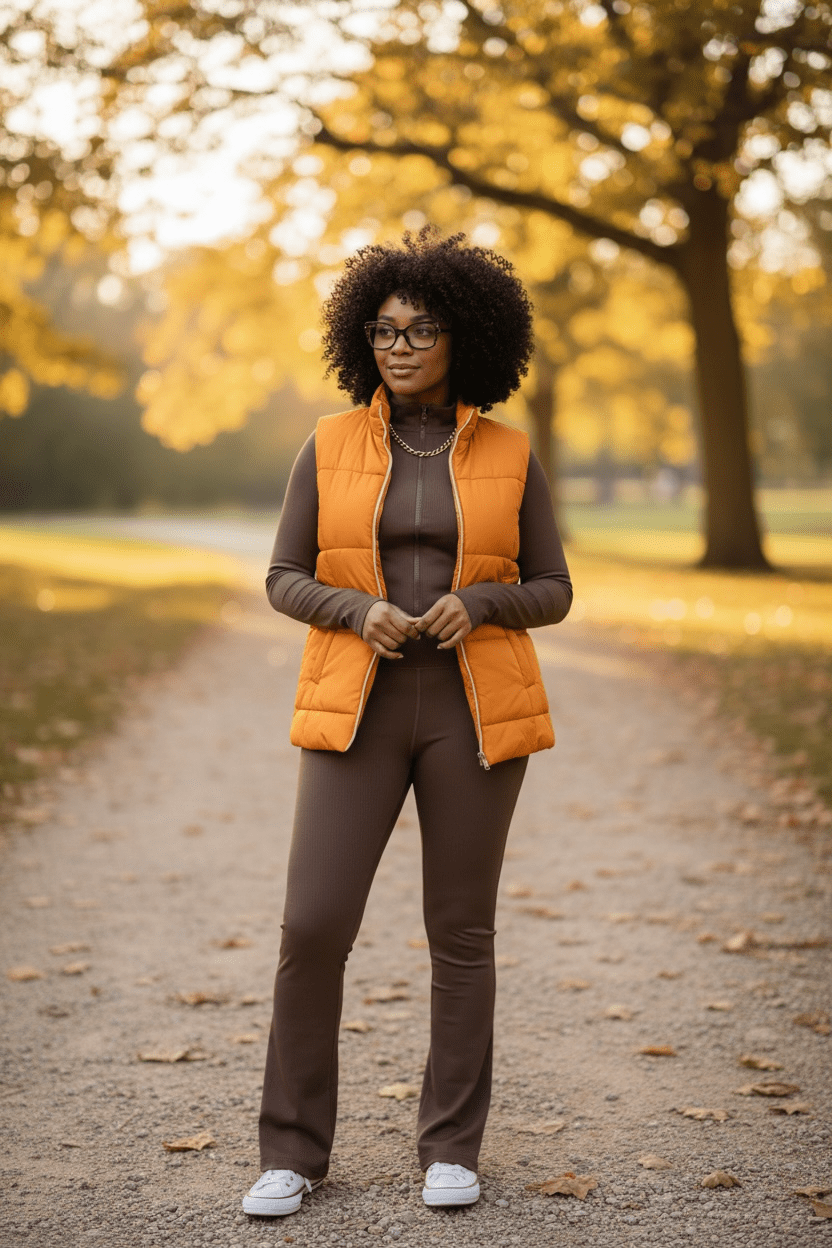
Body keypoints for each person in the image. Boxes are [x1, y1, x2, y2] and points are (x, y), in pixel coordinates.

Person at [243, 228, 572, 1219]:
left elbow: (553, 588)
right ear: (361, 338)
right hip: (357, 708)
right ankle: (293, 1154)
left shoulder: (510, 454)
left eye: (421, 328)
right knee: (312, 925)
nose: (399, 344)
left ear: (463, 336)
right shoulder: (330, 443)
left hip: (474, 711)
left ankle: (450, 1147)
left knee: (459, 934)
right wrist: (355, 610)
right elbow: (281, 577)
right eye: (383, 329)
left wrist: (480, 602)